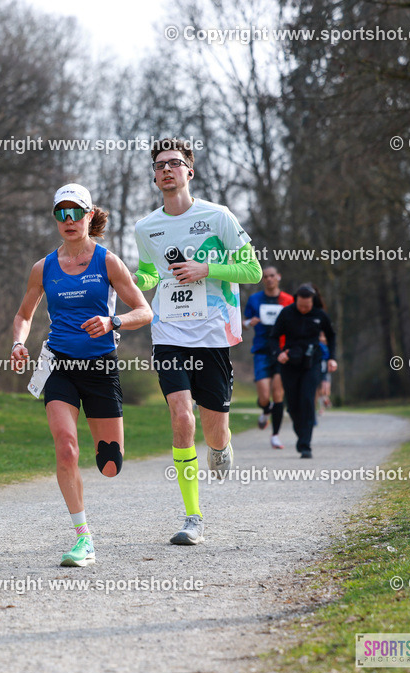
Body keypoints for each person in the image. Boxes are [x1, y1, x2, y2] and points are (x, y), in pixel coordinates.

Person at [10, 183, 152, 567]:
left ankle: (103, 468)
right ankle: (82, 537)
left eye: (76, 212)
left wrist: (113, 321)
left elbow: (144, 311)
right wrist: (17, 344)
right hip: (59, 365)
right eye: (61, 213)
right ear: (55, 219)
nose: (69, 220)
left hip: (101, 367)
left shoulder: (108, 262)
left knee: (110, 464)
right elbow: (24, 314)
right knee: (66, 446)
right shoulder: (44, 267)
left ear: (90, 215)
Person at [133, 138, 262, 545]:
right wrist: (139, 282)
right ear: (155, 177)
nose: (166, 170)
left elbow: (253, 270)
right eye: (159, 165)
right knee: (180, 417)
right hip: (168, 331)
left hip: (210, 333)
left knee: (214, 432)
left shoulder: (219, 217)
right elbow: (150, 274)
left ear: (190, 170)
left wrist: (206, 267)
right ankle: (193, 516)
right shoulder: (145, 228)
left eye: (174, 163)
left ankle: (222, 448)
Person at [270, 284, 338, 458]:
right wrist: (278, 354)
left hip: (312, 363)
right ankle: (302, 435)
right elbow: (273, 337)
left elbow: (331, 336)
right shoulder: (286, 313)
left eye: (307, 306)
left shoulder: (319, 315)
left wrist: (331, 357)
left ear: (312, 302)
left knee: (307, 400)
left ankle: (305, 445)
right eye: (301, 306)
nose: (304, 309)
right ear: (296, 300)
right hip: (290, 362)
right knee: (293, 405)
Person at [243, 266, 293, 449]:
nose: (269, 279)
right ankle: (265, 410)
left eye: (272, 276)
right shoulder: (255, 299)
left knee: (278, 393)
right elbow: (245, 322)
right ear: (262, 280)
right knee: (264, 396)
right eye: (265, 277)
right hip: (262, 350)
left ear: (278, 277)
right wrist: (250, 322)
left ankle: (275, 435)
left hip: (281, 351)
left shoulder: (288, 300)